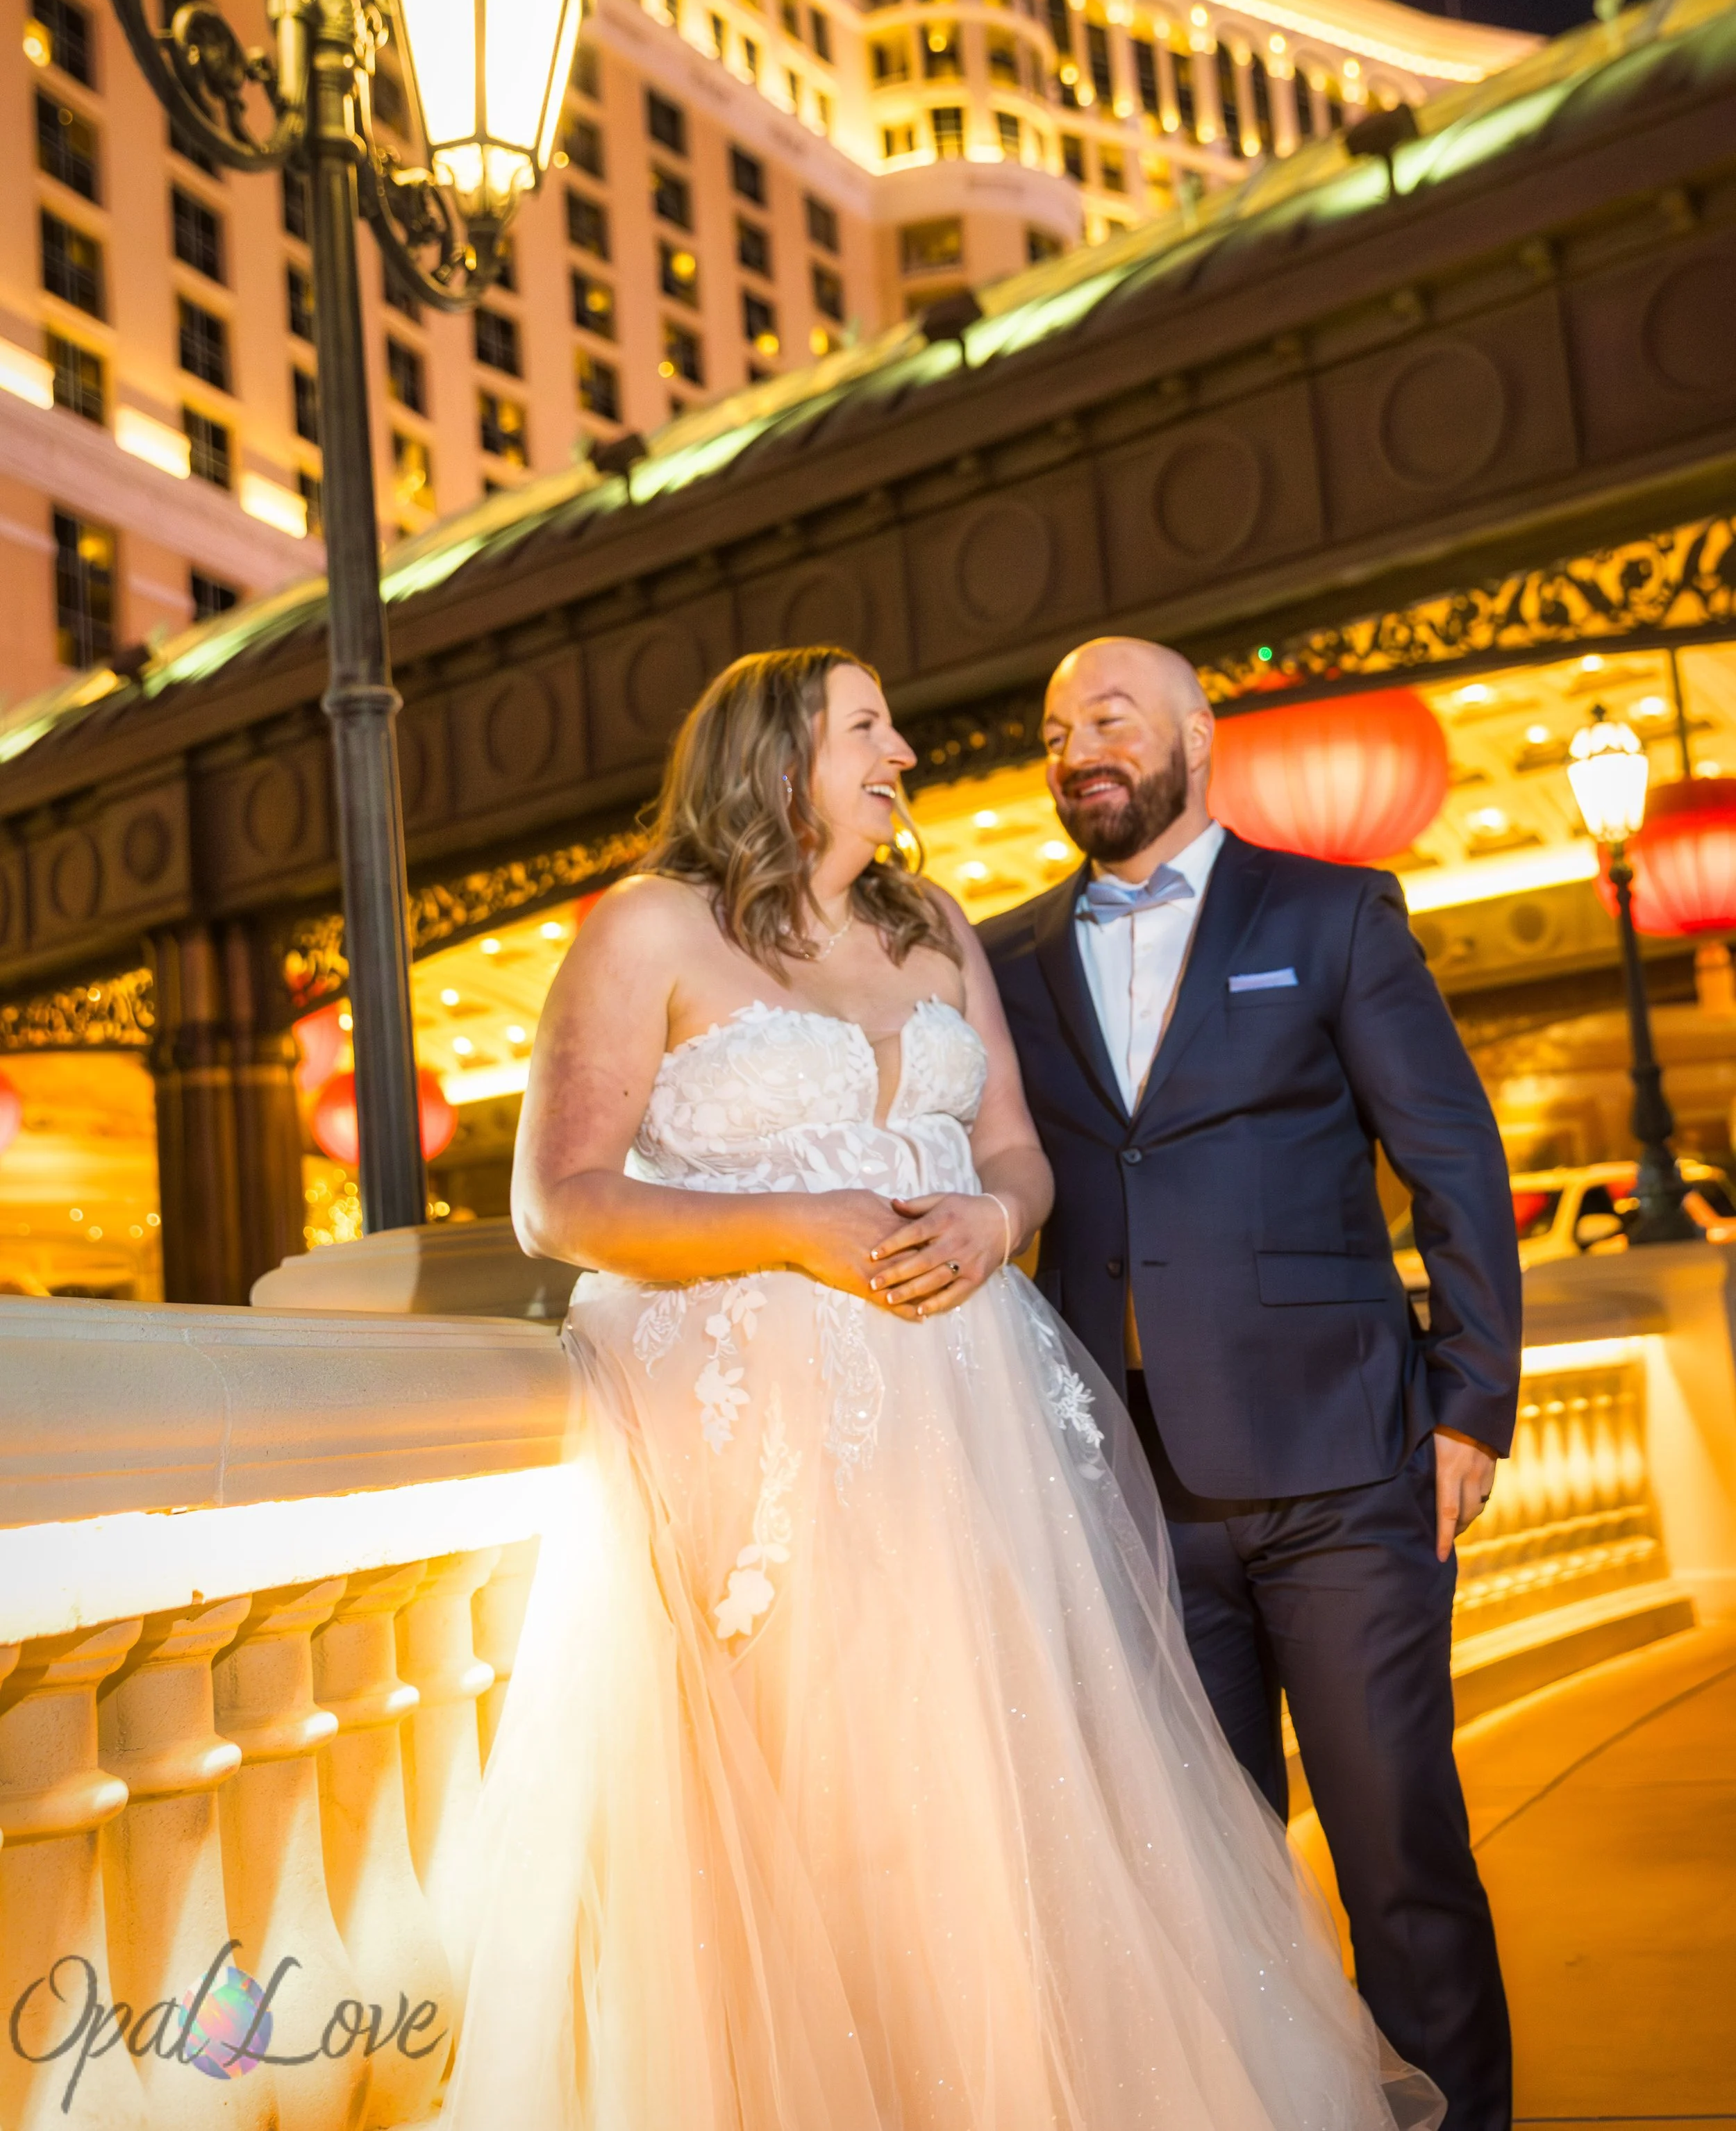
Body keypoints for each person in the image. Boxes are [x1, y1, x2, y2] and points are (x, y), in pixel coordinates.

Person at [444, 644, 1442, 2131]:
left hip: (962, 1428)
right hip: (762, 1456)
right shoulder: (646, 927)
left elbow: (1014, 1156)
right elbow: (562, 1204)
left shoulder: (931, 927)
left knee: (1002, 1808)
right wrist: (795, 1227)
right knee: (820, 1822)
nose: (900, 747)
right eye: (865, 726)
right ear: (778, 755)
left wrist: (991, 1222)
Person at [980, 637, 1522, 2131]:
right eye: (1051, 727)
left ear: (1195, 736)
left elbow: (1451, 1160)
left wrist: (1471, 1399)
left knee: (1399, 1859)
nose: (1076, 743)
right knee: (1207, 1887)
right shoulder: (1002, 956)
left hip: (1347, 1473)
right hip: (1134, 1495)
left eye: (1108, 715)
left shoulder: (1331, 913)